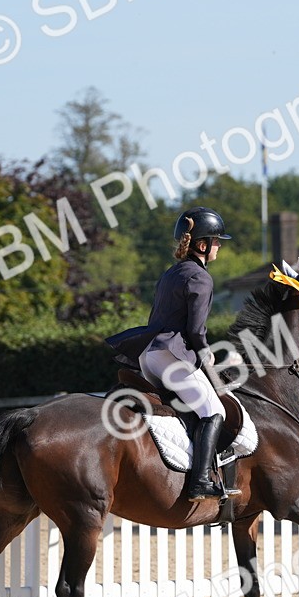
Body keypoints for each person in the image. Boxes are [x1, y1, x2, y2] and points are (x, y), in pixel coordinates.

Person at [106, 207, 235, 502]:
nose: (219, 245)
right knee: (214, 411)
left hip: (148, 356)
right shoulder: (200, 277)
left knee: (186, 407)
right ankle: (200, 481)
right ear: (201, 245)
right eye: (216, 240)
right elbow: (196, 329)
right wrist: (205, 352)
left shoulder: (171, 273)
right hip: (171, 357)